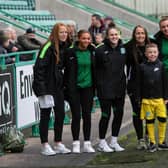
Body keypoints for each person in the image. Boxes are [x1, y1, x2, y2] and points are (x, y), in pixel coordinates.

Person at [32, 23, 71, 156]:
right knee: (45, 116)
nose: (64, 34)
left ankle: (58, 142)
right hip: (46, 88)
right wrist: (42, 91)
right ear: (55, 33)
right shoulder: (47, 47)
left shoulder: (65, 46)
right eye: (61, 32)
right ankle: (44, 145)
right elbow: (38, 69)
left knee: (60, 114)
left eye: (65, 32)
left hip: (58, 88)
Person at [95, 27, 126, 152]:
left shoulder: (123, 49)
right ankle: (102, 142)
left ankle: (114, 141)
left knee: (119, 114)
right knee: (106, 115)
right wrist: (99, 86)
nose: (114, 37)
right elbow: (95, 70)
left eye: (116, 34)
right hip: (105, 89)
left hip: (119, 88)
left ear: (119, 35)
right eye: (111, 35)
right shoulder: (100, 50)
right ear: (107, 36)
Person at [64, 30, 95, 153]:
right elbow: (64, 70)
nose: (86, 41)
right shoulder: (70, 52)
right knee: (76, 116)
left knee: (87, 115)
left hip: (88, 88)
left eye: (88, 38)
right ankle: (75, 143)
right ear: (79, 39)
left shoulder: (92, 51)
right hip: (74, 88)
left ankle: (87, 143)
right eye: (84, 38)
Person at [124, 25, 153, 150]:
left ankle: (148, 136)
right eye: (138, 33)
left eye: (142, 33)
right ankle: (140, 139)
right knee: (137, 112)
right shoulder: (128, 47)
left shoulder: (151, 46)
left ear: (145, 34)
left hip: (149, 85)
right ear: (134, 35)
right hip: (134, 86)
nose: (140, 35)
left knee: (149, 113)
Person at [139, 43, 168, 152]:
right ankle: (152, 142)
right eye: (150, 52)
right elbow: (139, 84)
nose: (152, 54)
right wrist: (139, 98)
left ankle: (161, 142)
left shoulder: (161, 65)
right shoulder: (142, 67)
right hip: (147, 100)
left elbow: (165, 83)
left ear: (158, 53)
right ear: (146, 54)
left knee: (162, 119)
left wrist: (166, 97)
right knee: (149, 121)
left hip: (159, 99)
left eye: (154, 52)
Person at [154, 16, 168, 111]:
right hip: (164, 77)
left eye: (167, 26)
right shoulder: (157, 40)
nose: (166, 28)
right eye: (163, 27)